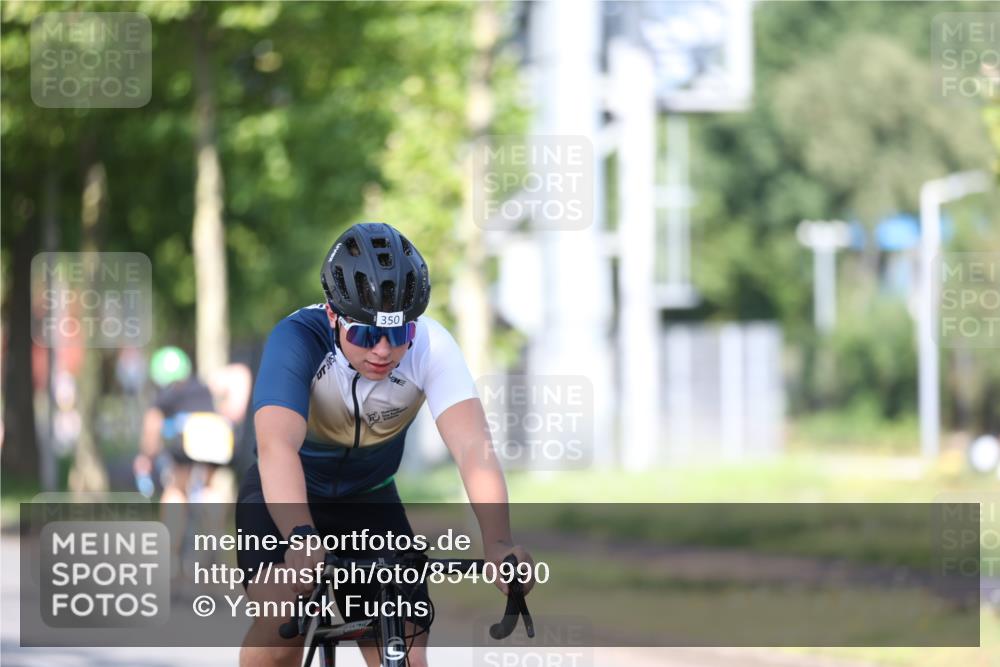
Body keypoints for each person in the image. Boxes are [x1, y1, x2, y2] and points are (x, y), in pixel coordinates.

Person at [237, 223, 533, 667]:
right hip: (285, 495)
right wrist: (299, 535)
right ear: (334, 316)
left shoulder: (432, 346)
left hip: (370, 500)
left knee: (407, 644)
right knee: (282, 619)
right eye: (363, 335)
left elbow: (474, 449)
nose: (381, 351)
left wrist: (498, 543)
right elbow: (277, 447)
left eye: (397, 336)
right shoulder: (296, 339)